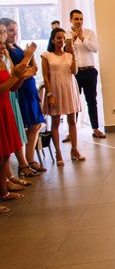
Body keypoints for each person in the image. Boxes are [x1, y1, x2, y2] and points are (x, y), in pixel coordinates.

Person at [3, 18, 47, 175]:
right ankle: (23, 164)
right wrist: (28, 56)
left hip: (29, 88)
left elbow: (32, 68)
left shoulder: (17, 47)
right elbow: (18, 70)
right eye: (10, 30)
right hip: (18, 90)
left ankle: (30, 159)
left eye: (15, 29)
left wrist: (30, 55)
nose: (14, 33)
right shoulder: (6, 51)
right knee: (20, 128)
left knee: (35, 125)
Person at [0, 40, 37, 213]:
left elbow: (12, 88)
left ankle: (4, 191)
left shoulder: (2, 61)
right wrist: (17, 74)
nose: (3, 46)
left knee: (5, 153)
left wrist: (22, 77)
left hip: (6, 108)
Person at [41, 28, 84, 166]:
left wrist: (73, 55)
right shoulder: (46, 55)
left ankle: (75, 150)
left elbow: (74, 71)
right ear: (53, 40)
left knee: (72, 120)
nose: (61, 40)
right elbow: (46, 77)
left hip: (69, 87)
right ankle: (58, 152)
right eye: (58, 38)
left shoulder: (69, 54)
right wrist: (50, 94)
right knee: (55, 122)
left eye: (63, 38)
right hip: (55, 89)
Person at [67, 9, 106, 139]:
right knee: (73, 103)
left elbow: (95, 49)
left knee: (92, 101)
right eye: (76, 19)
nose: (79, 21)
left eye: (81, 19)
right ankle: (71, 132)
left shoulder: (89, 33)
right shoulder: (66, 34)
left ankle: (95, 129)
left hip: (89, 71)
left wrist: (83, 38)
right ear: (70, 20)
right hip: (74, 73)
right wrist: (72, 39)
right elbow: (65, 52)